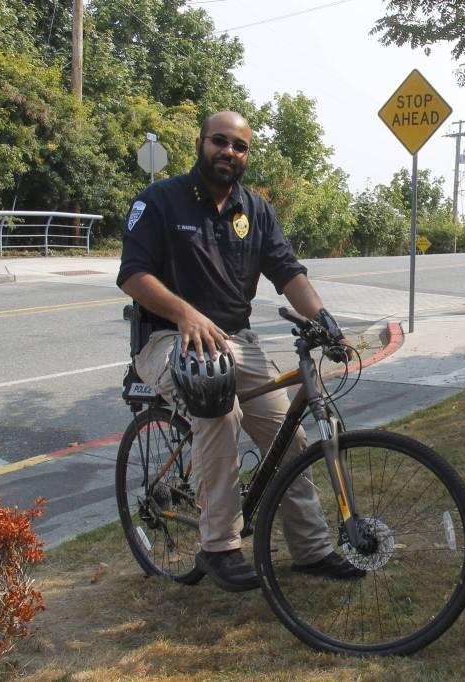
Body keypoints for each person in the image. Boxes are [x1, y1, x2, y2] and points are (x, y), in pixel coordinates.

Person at [116, 111, 363, 592]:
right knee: (217, 409)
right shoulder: (160, 200)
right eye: (220, 141)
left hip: (237, 341)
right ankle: (219, 546)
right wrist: (186, 315)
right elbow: (133, 274)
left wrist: (326, 323)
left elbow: (288, 272)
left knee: (287, 435)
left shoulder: (256, 209)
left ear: (247, 155)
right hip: (169, 337)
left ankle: (311, 549)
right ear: (201, 143)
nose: (229, 152)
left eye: (240, 146)